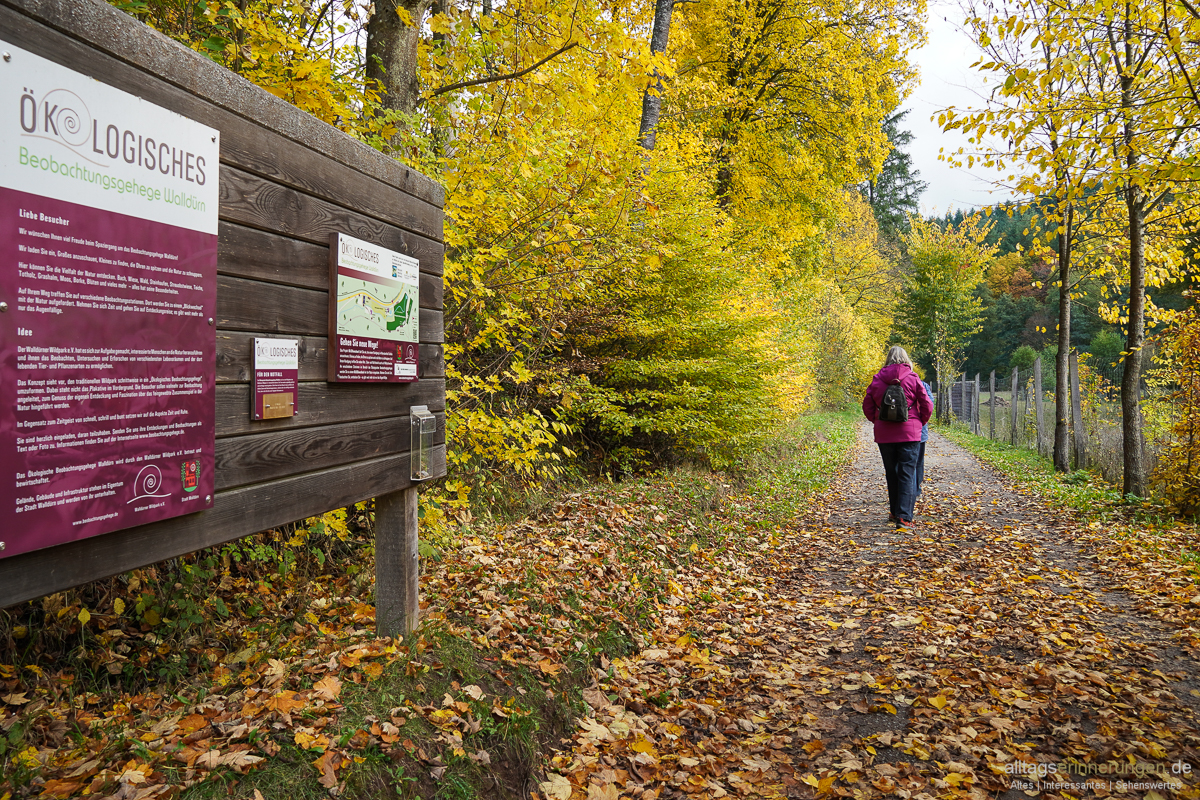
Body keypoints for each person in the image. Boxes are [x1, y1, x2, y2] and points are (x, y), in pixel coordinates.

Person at [862, 346, 933, 529]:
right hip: (910, 433)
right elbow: (926, 404)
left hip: (884, 434)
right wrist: (920, 422)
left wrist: (878, 421)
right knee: (907, 473)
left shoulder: (877, 379)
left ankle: (894, 512)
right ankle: (904, 518)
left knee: (891, 473)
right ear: (906, 359)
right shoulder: (912, 378)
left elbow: (867, 405)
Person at [916, 377, 934, 502]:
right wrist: (922, 422)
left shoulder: (886, 382)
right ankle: (915, 490)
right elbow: (929, 405)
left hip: (893, 432)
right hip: (918, 431)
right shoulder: (921, 384)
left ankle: (900, 493)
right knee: (918, 462)